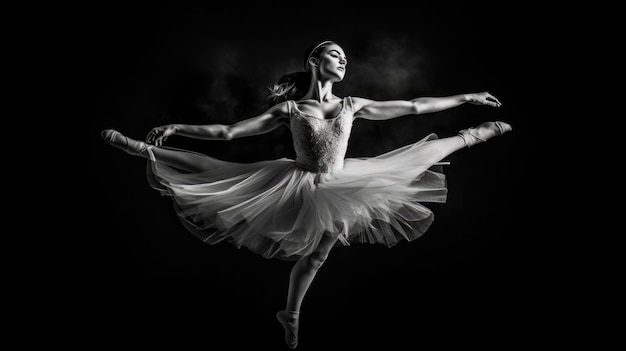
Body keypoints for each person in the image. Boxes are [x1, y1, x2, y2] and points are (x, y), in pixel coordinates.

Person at [101, 40, 511, 349]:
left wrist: (467, 96)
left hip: (340, 183)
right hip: (296, 181)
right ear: (315, 61)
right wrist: (178, 126)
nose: (343, 60)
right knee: (220, 172)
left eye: (346, 57)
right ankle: (144, 148)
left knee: (411, 162)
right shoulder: (291, 111)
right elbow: (229, 133)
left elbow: (415, 106)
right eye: (336, 54)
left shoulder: (353, 104)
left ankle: (474, 134)